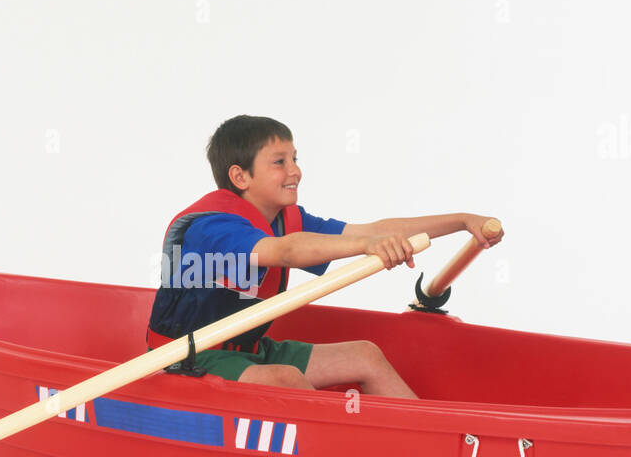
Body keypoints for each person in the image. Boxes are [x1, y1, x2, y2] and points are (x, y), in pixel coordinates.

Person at [146, 115, 503, 397]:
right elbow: (285, 252)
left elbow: (370, 229)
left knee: (365, 355)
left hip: (248, 350)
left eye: (295, 159)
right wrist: (368, 247)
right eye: (279, 162)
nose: (295, 171)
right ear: (240, 176)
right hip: (188, 357)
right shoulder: (211, 227)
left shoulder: (283, 218)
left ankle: (434, 456)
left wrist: (461, 221)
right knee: (286, 379)